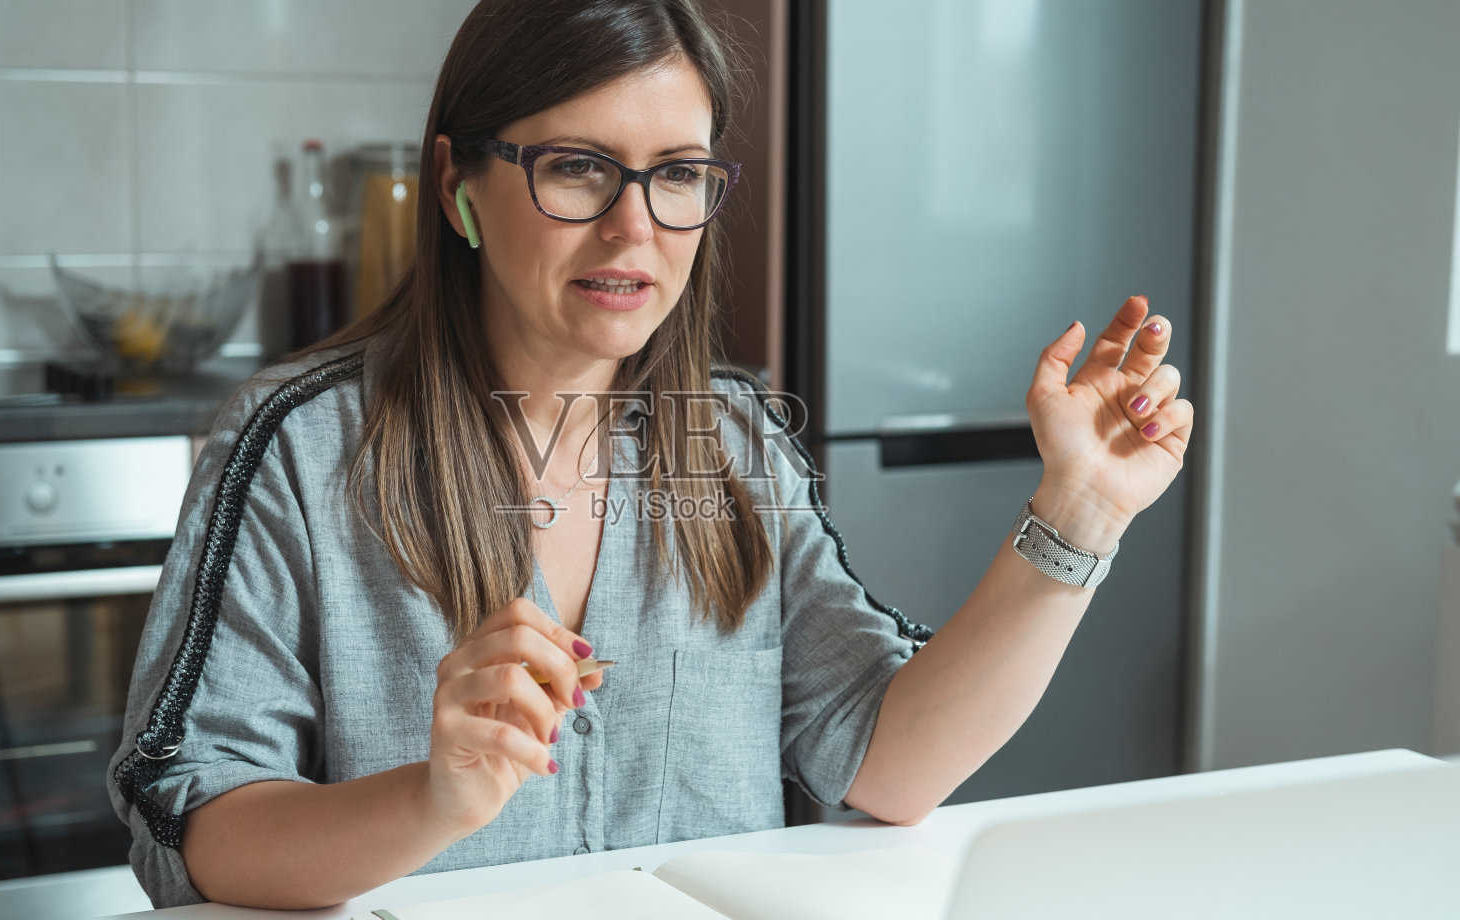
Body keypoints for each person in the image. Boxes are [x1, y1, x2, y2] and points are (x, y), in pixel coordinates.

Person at [107, 0, 1194, 910]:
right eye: (579, 168)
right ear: (456, 187)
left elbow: (885, 758)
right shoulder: (299, 445)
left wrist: (1081, 510)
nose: (635, 229)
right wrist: (433, 795)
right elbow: (198, 825)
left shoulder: (733, 439)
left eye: (676, 174)